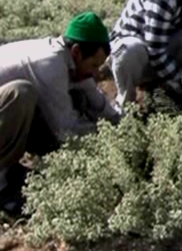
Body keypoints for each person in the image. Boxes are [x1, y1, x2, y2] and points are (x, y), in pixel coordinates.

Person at [0, 12, 119, 215]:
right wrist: (107, 137)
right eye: (93, 65)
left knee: (77, 99)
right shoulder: (50, 64)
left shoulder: (69, 59)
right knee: (21, 93)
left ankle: (12, 170)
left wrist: (120, 124)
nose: (96, 73)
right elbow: (66, 129)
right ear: (77, 52)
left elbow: (97, 101)